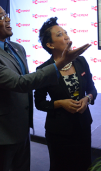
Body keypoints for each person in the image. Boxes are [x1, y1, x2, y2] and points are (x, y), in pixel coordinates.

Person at [0, 2, 91, 171]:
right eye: (2, 17)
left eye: (7, 14)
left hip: (22, 127)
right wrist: (62, 62)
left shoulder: (17, 48)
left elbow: (27, 83)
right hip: (1, 132)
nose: (8, 19)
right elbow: (19, 83)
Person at [34, 17, 97, 171]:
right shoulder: (44, 70)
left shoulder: (81, 61)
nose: (66, 36)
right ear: (50, 44)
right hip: (59, 131)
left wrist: (87, 99)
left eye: (66, 33)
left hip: (83, 126)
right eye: (60, 34)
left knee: (84, 165)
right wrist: (60, 103)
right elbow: (39, 103)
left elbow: (92, 89)